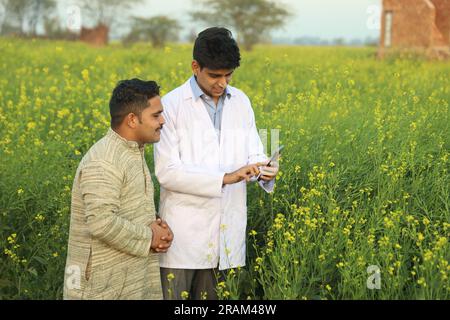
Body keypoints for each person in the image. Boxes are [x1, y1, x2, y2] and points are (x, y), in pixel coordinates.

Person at [154, 27, 279, 300]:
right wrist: (225, 178)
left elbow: (253, 154)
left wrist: (265, 171)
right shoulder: (172, 105)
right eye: (214, 75)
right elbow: (167, 172)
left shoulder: (241, 102)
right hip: (183, 236)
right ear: (195, 66)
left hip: (226, 237)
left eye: (228, 75)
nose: (222, 83)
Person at [64, 79, 173, 300]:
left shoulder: (132, 151)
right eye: (156, 115)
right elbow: (101, 222)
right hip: (100, 287)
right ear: (132, 119)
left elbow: (124, 208)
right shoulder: (104, 161)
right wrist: (150, 236)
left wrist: (155, 222)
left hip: (129, 280)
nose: (163, 121)